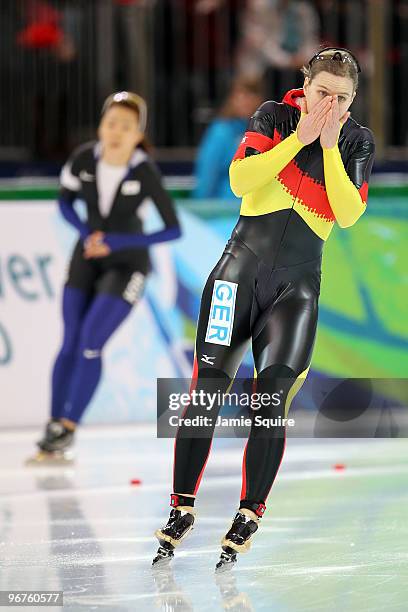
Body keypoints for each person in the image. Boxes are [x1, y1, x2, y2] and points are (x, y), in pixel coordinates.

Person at [153, 48, 375, 570]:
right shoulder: (274, 116)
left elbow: (346, 214)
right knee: (205, 392)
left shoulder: (356, 141)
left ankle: (250, 512)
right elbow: (239, 182)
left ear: (353, 100)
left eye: (342, 98)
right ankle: (181, 506)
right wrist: (298, 141)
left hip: (294, 291)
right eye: (323, 93)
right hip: (236, 276)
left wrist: (326, 147)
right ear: (306, 85)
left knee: (270, 399)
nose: (331, 104)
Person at [28, 91, 181, 463]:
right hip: (87, 255)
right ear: (101, 126)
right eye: (111, 123)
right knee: (69, 341)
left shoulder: (144, 170)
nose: (116, 132)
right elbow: (64, 201)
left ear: (137, 134)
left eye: (126, 127)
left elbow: (172, 230)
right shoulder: (84, 159)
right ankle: (53, 425)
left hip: (128, 265)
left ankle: (68, 427)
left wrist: (116, 242)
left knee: (91, 342)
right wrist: (86, 233)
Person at [193, 77, 264, 199]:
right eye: (242, 94)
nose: (246, 100)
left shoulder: (266, 132)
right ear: (232, 99)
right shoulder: (220, 132)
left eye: (252, 94)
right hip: (224, 212)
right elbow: (207, 174)